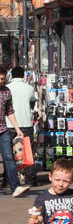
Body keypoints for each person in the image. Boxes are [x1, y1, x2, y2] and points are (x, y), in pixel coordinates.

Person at [7, 67, 37, 191]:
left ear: (11, 75)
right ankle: (31, 179)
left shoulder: (6, 88)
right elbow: (32, 103)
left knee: (9, 153)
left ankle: (10, 179)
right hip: (26, 123)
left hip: (9, 124)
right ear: (24, 75)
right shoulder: (29, 88)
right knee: (27, 152)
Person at [0, 65, 25, 196]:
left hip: (3, 130)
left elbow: (9, 111)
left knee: (9, 158)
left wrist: (17, 128)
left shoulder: (6, 91)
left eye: (3, 79)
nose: (1, 81)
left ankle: (15, 187)